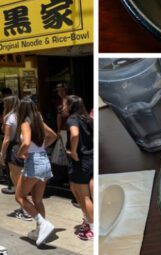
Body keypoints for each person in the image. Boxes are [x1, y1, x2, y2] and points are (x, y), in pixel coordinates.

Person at [14, 98, 58, 247]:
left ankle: (42, 224)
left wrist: (20, 153)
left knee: (20, 197)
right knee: (38, 199)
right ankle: (41, 232)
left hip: (33, 162)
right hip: (44, 160)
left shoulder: (25, 123)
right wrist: (42, 148)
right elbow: (53, 135)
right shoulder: (38, 120)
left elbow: (26, 142)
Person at [65, 95, 95, 240]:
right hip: (90, 159)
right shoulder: (87, 118)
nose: (62, 107)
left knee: (83, 197)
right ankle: (88, 220)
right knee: (77, 190)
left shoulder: (72, 119)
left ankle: (93, 227)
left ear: (70, 106)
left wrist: (74, 151)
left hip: (81, 160)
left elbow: (74, 134)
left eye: (65, 104)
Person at [0, 95, 32, 220]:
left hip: (13, 149)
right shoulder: (23, 116)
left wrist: (2, 154)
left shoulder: (9, 117)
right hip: (24, 148)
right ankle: (27, 207)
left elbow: (7, 138)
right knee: (23, 179)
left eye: (4, 104)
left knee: (17, 181)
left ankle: (26, 210)